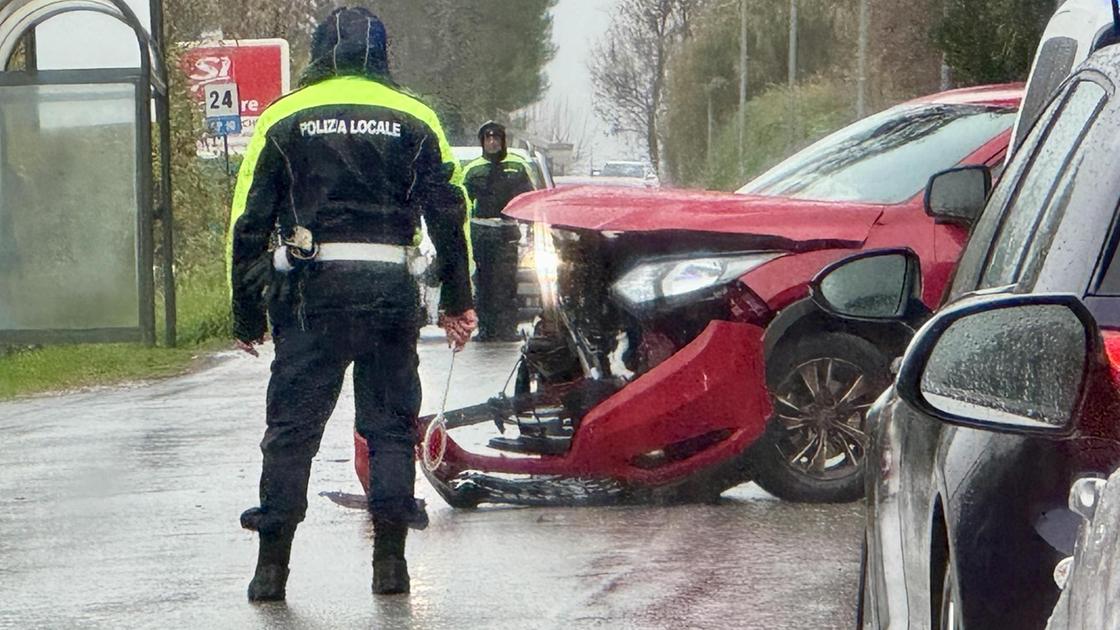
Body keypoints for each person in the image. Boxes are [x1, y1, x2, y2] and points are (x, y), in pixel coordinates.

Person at [227, 6, 477, 601]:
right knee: (390, 429)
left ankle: (271, 571)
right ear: (382, 56)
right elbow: (450, 212)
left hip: (309, 300)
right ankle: (391, 565)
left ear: (318, 54)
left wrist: (246, 311)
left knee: (291, 432)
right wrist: (456, 301)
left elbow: (248, 221)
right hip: (390, 298)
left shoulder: (283, 117)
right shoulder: (416, 117)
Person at [462, 122, 535, 342]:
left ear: (503, 141)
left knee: (505, 282)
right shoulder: (472, 169)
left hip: (507, 232)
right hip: (481, 231)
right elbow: (463, 202)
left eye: (496, 138)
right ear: (482, 142)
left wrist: (527, 223)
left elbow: (529, 198)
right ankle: (486, 328)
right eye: (488, 139)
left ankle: (507, 328)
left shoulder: (518, 165)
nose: (492, 142)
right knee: (483, 282)